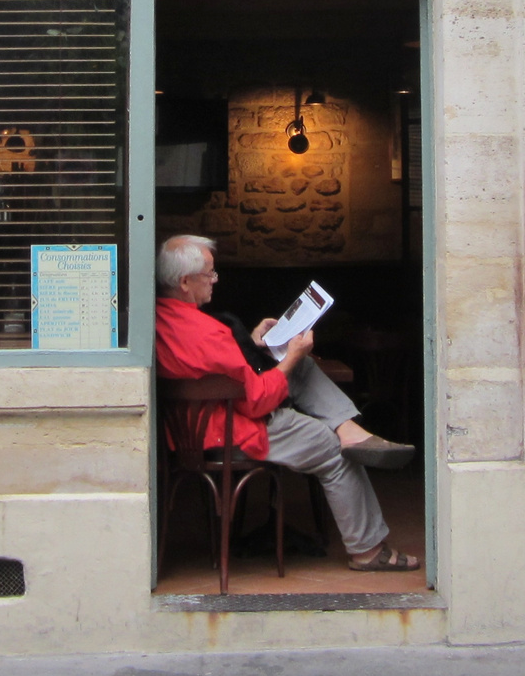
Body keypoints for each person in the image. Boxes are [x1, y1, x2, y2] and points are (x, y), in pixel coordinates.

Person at [155, 234, 420, 572]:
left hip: (195, 428)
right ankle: (367, 550)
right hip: (231, 432)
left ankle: (347, 426)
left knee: (303, 369)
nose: (215, 279)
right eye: (210, 273)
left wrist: (254, 346)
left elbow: (218, 366)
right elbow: (257, 403)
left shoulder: (160, 320)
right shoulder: (208, 333)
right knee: (334, 448)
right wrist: (291, 356)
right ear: (184, 282)